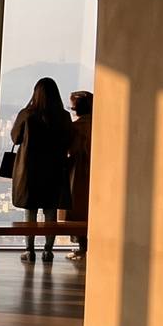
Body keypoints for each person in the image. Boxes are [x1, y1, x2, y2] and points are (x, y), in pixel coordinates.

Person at [10, 76, 74, 261]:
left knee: (30, 210)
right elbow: (69, 140)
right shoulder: (63, 116)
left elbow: (16, 138)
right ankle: (48, 250)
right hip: (54, 169)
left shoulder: (27, 114)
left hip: (29, 171)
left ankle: (29, 250)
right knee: (50, 211)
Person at [67, 89, 93, 260]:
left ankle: (83, 247)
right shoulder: (100, 126)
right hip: (94, 171)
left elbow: (72, 150)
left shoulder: (76, 127)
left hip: (79, 172)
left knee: (78, 209)